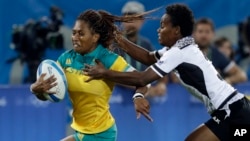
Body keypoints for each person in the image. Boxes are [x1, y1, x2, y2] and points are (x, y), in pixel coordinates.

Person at [83, 4, 250, 141]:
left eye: (162, 26)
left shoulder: (178, 53)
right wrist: (117, 37)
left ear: (176, 30)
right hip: (234, 111)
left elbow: (142, 78)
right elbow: (148, 58)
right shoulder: (179, 49)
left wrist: (105, 73)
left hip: (233, 112)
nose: (158, 30)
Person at [29, 9, 150, 141]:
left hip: (101, 134)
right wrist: (36, 89)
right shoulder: (65, 59)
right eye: (74, 33)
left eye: (81, 34)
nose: (75, 38)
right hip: (81, 133)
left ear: (95, 37)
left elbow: (143, 80)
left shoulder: (107, 59)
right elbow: (48, 94)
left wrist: (138, 96)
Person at [115, 1, 167, 97]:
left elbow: (162, 66)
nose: (131, 22)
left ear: (142, 21)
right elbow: (112, 74)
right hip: (117, 101)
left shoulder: (145, 44)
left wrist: (162, 84)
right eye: (128, 18)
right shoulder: (113, 44)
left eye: (135, 19)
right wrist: (144, 88)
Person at [192, 18, 247, 85]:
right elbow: (176, 77)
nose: (203, 35)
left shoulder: (215, 53)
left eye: (207, 32)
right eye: (200, 31)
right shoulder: (184, 51)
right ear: (193, 34)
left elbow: (242, 75)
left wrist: (228, 81)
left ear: (213, 34)